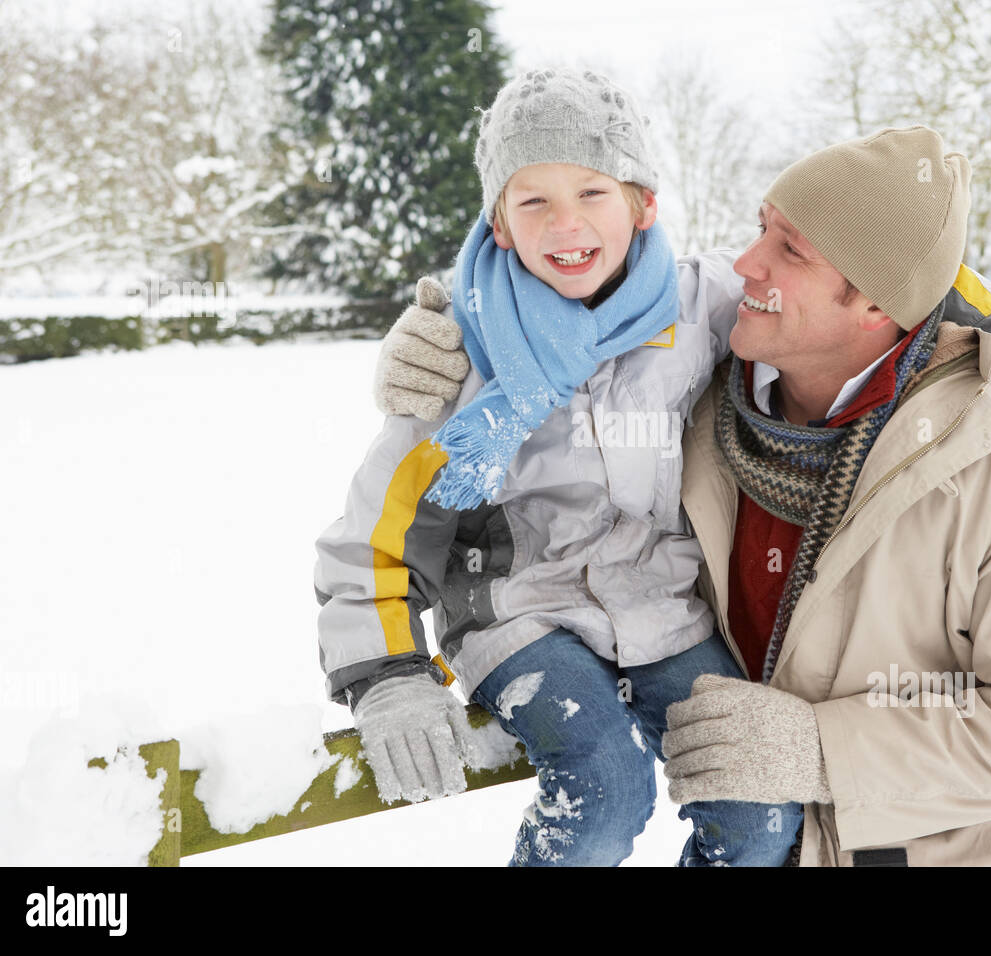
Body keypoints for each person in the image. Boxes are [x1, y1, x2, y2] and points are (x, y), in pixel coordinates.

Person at [374, 126, 991, 866]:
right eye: (759, 229)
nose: (745, 262)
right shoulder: (704, 397)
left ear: (876, 303)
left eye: (788, 249)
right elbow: (573, 303)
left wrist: (824, 752)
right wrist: (460, 339)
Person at [314, 67, 803, 867]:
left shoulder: (703, 306)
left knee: (757, 806)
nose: (563, 224)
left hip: (665, 609)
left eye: (593, 193)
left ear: (644, 204)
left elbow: (873, 266)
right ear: (499, 222)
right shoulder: (461, 351)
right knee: (605, 789)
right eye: (532, 199)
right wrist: (388, 674)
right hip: (518, 614)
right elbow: (377, 528)